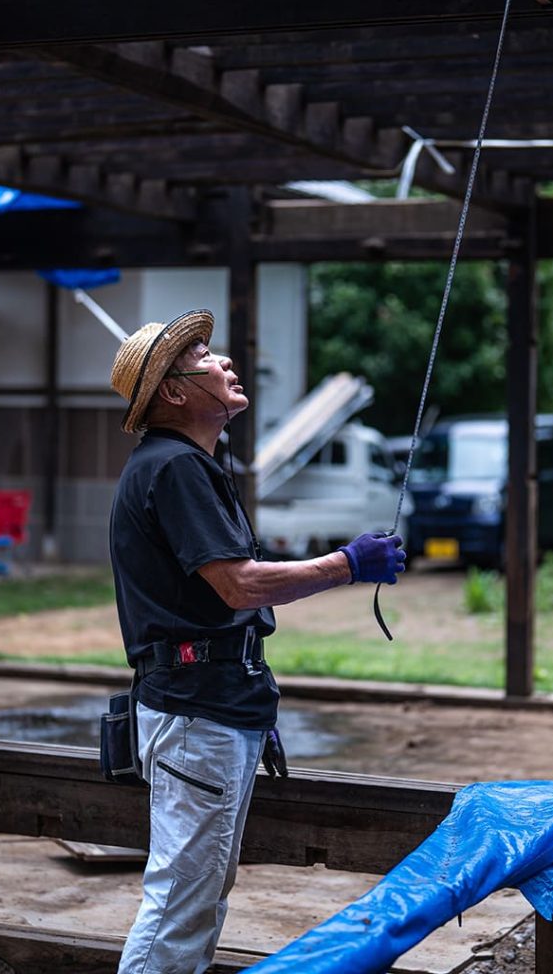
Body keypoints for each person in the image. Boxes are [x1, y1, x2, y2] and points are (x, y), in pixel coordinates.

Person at [108, 309, 404, 974]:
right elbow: (241, 587)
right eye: (207, 356)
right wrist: (348, 565)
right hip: (196, 712)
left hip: (209, 705)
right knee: (181, 903)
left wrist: (248, 695)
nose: (226, 363)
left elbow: (219, 604)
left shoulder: (184, 466)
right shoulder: (175, 468)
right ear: (176, 393)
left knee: (199, 897)